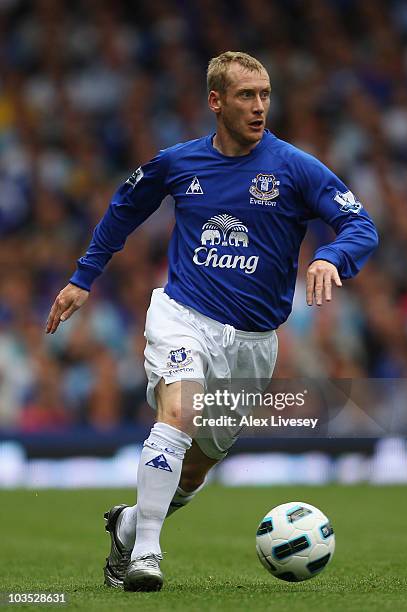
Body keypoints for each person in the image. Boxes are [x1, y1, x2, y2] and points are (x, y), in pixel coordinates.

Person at [46, 51, 378, 592]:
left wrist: (329, 256)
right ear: (216, 101)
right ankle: (146, 555)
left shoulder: (295, 167)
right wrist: (84, 277)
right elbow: (125, 206)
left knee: (197, 466)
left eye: (265, 94)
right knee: (176, 413)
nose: (259, 106)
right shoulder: (179, 163)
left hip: (253, 343)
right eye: (246, 96)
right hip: (183, 315)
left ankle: (130, 524)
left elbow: (360, 224)